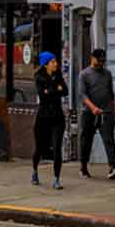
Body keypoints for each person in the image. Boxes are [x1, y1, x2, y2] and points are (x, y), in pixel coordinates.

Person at [79, 48, 115, 180]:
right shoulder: (84, 74)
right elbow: (83, 95)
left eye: (103, 61)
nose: (101, 64)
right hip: (89, 112)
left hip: (106, 111)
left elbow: (111, 94)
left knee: (109, 139)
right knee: (86, 140)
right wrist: (93, 108)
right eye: (99, 61)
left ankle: (113, 166)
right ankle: (83, 167)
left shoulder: (107, 74)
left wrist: (113, 112)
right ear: (93, 59)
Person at [32, 51, 68, 189]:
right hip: (43, 117)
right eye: (52, 62)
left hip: (58, 117)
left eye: (55, 61)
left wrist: (52, 90)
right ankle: (34, 170)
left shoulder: (58, 76)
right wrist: (55, 89)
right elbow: (43, 95)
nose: (56, 64)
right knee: (39, 148)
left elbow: (65, 91)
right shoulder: (39, 77)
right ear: (46, 64)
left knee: (57, 147)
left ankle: (56, 178)